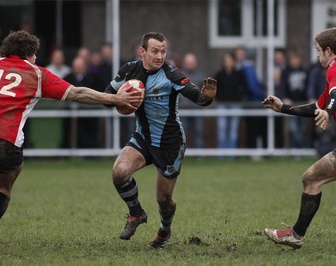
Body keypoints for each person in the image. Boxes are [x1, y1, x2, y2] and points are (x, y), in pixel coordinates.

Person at [0, 30, 142, 253]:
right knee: (4, 188)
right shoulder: (37, 74)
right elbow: (77, 93)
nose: (36, 58)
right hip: (6, 141)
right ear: (29, 53)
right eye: (35, 54)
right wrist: (116, 98)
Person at [104, 32, 217, 249]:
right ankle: (136, 213)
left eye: (163, 51)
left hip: (170, 144)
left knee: (164, 200)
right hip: (143, 138)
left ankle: (164, 231)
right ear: (142, 51)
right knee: (119, 172)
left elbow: (197, 97)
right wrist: (120, 99)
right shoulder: (129, 70)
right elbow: (108, 95)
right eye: (155, 51)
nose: (160, 56)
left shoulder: (171, 74)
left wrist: (207, 98)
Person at [263, 27, 336, 249]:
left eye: (318, 50)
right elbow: (317, 107)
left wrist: (329, 110)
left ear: (328, 51)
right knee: (312, 178)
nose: (317, 55)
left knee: (311, 178)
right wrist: (283, 107)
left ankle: (295, 235)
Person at [214, 52, 247, 151]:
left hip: (235, 104)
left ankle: (232, 154)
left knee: (233, 129)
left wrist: (238, 97)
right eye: (225, 60)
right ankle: (222, 154)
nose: (227, 62)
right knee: (222, 129)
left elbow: (243, 88)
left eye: (229, 60)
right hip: (222, 104)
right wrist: (219, 98)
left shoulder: (239, 74)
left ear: (233, 61)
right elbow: (215, 89)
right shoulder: (219, 75)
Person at [279, 49, 310, 148]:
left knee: (302, 128)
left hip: (303, 103)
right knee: (293, 128)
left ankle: (299, 150)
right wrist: (284, 98)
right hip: (291, 104)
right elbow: (283, 86)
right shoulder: (286, 72)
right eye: (293, 59)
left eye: (297, 59)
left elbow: (308, 87)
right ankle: (304, 147)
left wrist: (310, 98)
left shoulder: (305, 72)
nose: (295, 61)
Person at [179, 52, 206, 148]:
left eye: (192, 62)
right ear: (184, 63)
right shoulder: (179, 75)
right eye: (188, 62)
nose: (190, 64)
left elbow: (205, 92)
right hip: (184, 109)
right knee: (182, 133)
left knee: (199, 132)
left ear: (196, 63)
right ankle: (181, 154)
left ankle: (200, 155)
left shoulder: (201, 76)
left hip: (197, 109)